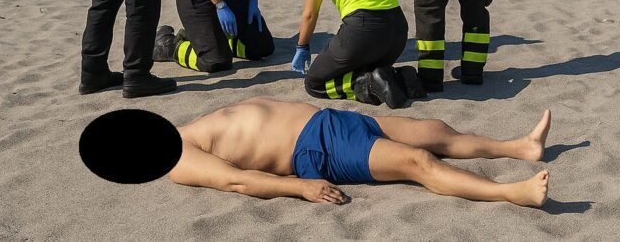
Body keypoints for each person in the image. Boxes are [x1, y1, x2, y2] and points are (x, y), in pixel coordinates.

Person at [170, 97, 550, 207]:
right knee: (418, 162)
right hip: (316, 149)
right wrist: (300, 188)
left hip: (329, 121)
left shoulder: (186, 127)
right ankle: (512, 193)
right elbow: (237, 181)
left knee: (433, 132)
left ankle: (519, 147)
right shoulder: (179, 159)